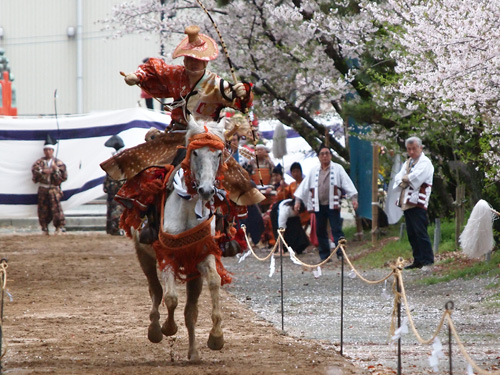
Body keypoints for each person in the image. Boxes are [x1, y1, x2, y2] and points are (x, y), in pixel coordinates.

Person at [123, 25, 253, 129]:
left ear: (205, 61)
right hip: (177, 133)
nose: (193, 63)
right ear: (184, 60)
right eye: (189, 59)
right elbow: (153, 67)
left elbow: (240, 103)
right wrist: (137, 75)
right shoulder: (175, 73)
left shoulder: (217, 84)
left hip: (208, 136)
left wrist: (243, 92)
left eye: (197, 59)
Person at [294, 145, 359, 261]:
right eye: (322, 154)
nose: (324, 156)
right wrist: (298, 201)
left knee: (336, 229)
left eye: (327, 153)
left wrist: (354, 198)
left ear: (331, 155)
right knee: (320, 230)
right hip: (318, 204)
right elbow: (304, 186)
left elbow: (347, 183)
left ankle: (341, 253)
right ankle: (324, 255)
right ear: (318, 157)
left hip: (332, 204)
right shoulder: (314, 170)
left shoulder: (338, 168)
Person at [393, 136, 434, 269]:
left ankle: (428, 260)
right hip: (407, 200)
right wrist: (403, 180)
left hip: (418, 200)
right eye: (409, 149)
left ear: (420, 148)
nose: (411, 152)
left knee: (420, 231)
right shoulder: (409, 162)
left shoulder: (425, 162)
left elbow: (415, 178)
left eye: (414, 149)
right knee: (411, 232)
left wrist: (405, 179)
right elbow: (399, 176)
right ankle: (418, 259)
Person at [31, 135, 68, 235]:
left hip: (53, 188)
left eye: (50, 150)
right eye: (46, 150)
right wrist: (44, 171)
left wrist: (55, 170)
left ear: (53, 151)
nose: (48, 152)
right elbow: (35, 172)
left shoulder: (58, 163)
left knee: (56, 209)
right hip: (43, 188)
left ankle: (59, 227)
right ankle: (44, 227)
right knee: (43, 209)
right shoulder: (39, 162)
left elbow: (63, 176)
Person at [103, 135, 125, 236]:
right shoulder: (113, 161)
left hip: (120, 191)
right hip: (112, 191)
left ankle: (118, 229)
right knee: (111, 212)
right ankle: (112, 230)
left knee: (117, 212)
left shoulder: (124, 161)